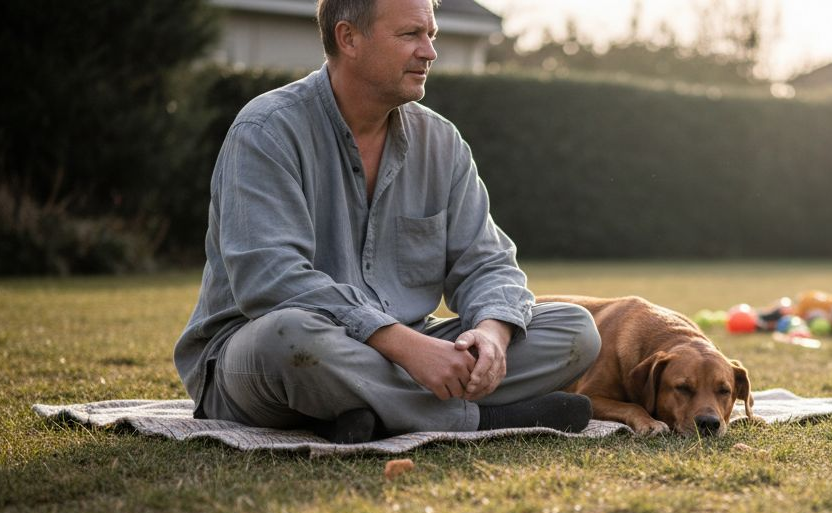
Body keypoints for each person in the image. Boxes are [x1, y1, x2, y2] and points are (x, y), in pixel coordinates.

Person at [174, 0, 600, 443]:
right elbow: (271, 279)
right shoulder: (266, 131)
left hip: (404, 351)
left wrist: (491, 335)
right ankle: (482, 420)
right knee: (290, 337)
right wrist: (405, 347)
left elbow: (488, 263)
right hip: (267, 353)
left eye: (431, 35)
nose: (430, 51)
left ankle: (365, 411)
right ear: (349, 38)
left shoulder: (441, 142)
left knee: (575, 330)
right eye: (411, 34)